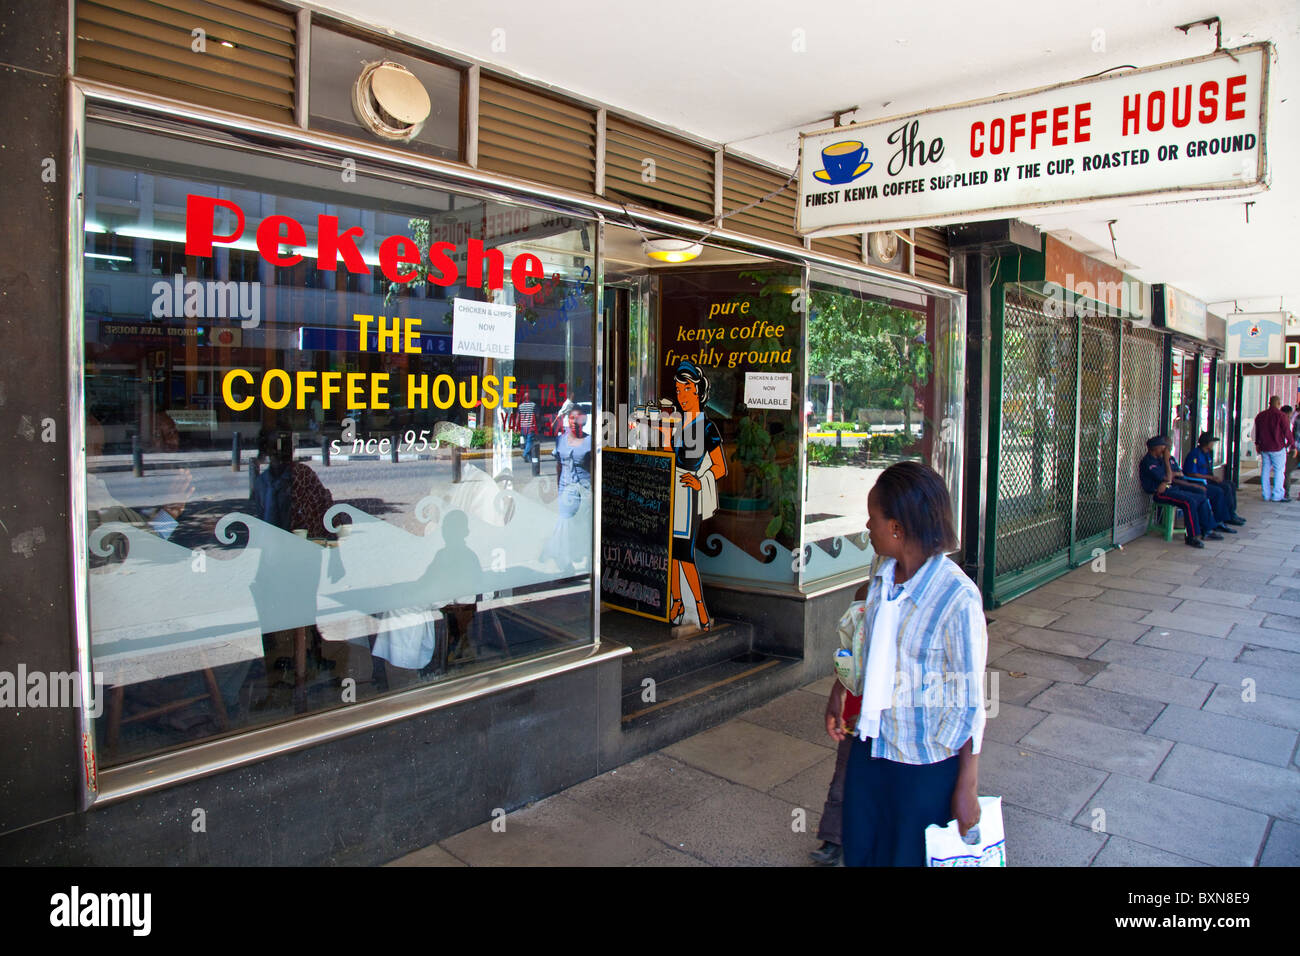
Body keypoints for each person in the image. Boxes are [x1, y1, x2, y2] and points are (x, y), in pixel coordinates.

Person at [824, 461, 986, 867]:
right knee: (863, 849)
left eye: (873, 518)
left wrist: (966, 785)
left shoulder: (957, 599)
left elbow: (969, 702)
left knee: (907, 857)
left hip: (924, 763)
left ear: (897, 528)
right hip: (871, 746)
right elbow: (862, 641)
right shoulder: (882, 571)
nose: (867, 525)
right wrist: (839, 690)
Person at [667, 360, 727, 631]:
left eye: (686, 389)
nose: (681, 395)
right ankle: (677, 601)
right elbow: (672, 456)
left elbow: (720, 467)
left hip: (688, 493)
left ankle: (699, 607)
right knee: (670, 552)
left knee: (684, 551)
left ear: (697, 391)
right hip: (672, 490)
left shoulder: (706, 427)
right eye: (678, 390)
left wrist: (700, 481)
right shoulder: (676, 423)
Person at [1139, 435, 1221, 548]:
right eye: (1163, 447)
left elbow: (1172, 476)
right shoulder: (1149, 462)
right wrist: (1167, 464)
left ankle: (1207, 530)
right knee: (1189, 502)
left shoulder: (1160, 459)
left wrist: (1167, 479)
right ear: (1155, 448)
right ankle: (1192, 537)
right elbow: (1168, 478)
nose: (1165, 450)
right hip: (1159, 493)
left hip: (1170, 488)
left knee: (1201, 497)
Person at [541, 406, 592, 572]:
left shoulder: (590, 442)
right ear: (568, 420)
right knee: (564, 523)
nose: (575, 422)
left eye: (578, 419)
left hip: (585, 491)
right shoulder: (560, 440)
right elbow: (558, 465)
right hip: (566, 490)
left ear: (583, 421)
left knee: (584, 527)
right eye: (572, 418)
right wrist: (558, 489)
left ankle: (587, 559)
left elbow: (595, 468)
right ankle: (564, 562)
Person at [1183, 431, 1245, 527]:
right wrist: (1210, 477)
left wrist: (1213, 478)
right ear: (1207, 443)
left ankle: (1231, 514)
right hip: (1198, 483)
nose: (1213, 445)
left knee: (1230, 485)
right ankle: (1221, 519)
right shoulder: (1195, 454)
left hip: (1208, 480)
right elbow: (1191, 473)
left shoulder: (1207, 454)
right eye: (1212, 442)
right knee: (1218, 491)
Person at [1253, 396, 1294, 502]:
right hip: (1277, 447)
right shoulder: (1281, 416)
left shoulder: (1260, 416)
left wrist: (1257, 444)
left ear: (1269, 403)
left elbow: (1257, 432)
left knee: (1265, 470)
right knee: (1279, 471)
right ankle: (1277, 495)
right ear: (1279, 403)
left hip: (1264, 447)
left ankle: (1266, 495)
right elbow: (1287, 432)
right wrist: (1291, 445)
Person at [515, 388, 538, 463]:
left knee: (526, 442)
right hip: (530, 426)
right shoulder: (533, 405)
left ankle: (528, 458)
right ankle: (525, 454)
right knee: (529, 442)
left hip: (523, 427)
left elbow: (518, 417)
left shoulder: (520, 406)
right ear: (530, 397)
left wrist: (515, 426)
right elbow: (536, 415)